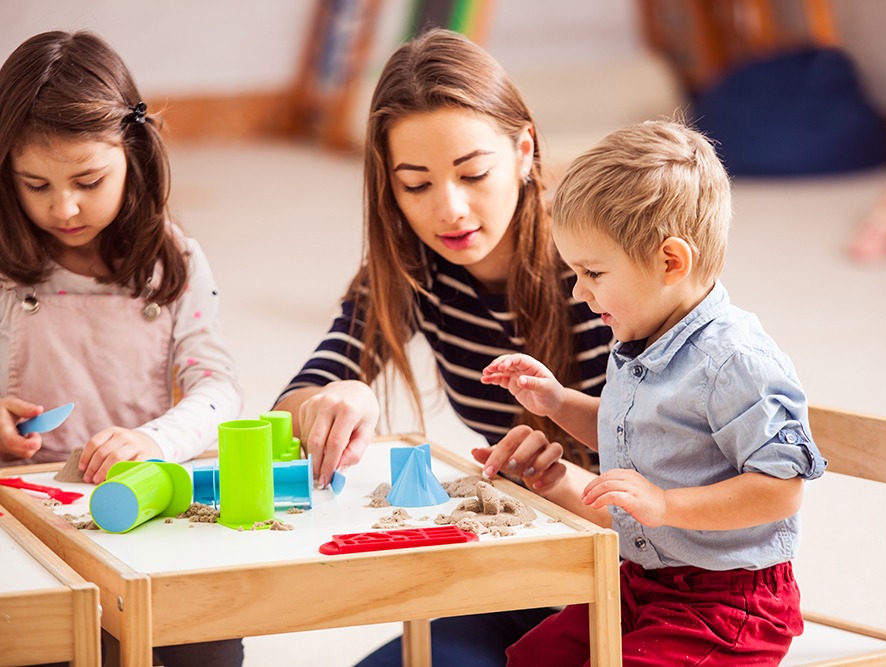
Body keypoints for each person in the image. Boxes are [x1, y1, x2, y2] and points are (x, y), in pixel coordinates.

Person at [272, 28, 614, 666]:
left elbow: (680, 493)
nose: (449, 210)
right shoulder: (416, 266)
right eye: (416, 184)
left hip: (644, 591)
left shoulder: (601, 264)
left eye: (473, 173)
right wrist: (325, 400)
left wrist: (562, 482)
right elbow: (298, 395)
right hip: (518, 575)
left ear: (524, 150)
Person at [481, 119, 828, 665]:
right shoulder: (644, 337)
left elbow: (782, 489)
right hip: (645, 581)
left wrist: (664, 504)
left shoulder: (734, 361)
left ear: (671, 262)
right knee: (534, 656)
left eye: (593, 271)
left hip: (730, 602)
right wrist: (556, 402)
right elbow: (634, 430)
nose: (579, 290)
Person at [0, 30, 244, 666]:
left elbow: (217, 389)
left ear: (133, 153)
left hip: (145, 502)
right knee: (54, 646)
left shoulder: (175, 261)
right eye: (36, 184)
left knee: (211, 644)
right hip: (20, 512)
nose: (65, 207)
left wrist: (157, 440)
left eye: (88, 179)